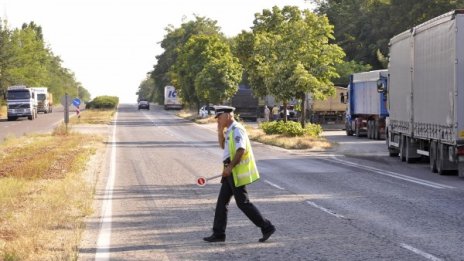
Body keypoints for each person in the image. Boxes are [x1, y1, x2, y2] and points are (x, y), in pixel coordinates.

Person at [203, 105, 276, 243]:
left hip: (236, 172)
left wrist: (230, 167)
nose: (217, 120)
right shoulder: (229, 130)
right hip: (230, 171)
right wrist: (220, 131)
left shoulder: (237, 130)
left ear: (228, 115)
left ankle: (267, 226)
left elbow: (241, 150)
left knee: (243, 203)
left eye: (219, 117)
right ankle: (218, 234)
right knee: (221, 203)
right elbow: (224, 146)